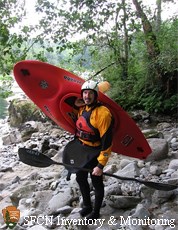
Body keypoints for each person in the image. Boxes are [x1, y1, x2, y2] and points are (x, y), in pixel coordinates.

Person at [73, 80, 114, 220]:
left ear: (96, 95)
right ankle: (87, 206)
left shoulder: (103, 114)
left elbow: (107, 143)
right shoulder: (83, 108)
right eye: (85, 93)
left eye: (90, 93)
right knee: (80, 177)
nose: (87, 96)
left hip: (96, 151)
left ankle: (95, 212)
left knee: (96, 181)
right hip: (83, 149)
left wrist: (100, 165)